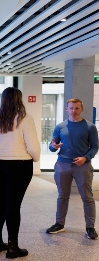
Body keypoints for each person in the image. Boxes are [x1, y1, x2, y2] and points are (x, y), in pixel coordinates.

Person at [0, 87, 40, 259]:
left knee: (1, 201)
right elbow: (33, 147)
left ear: (3, 99)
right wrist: (35, 159)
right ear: (19, 99)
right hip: (19, 165)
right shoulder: (25, 119)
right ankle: (13, 247)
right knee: (13, 204)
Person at [46, 98, 98, 240]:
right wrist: (53, 147)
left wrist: (85, 158)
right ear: (66, 109)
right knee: (62, 196)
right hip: (63, 165)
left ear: (82, 109)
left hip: (82, 166)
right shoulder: (60, 126)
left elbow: (95, 147)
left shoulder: (90, 127)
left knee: (87, 197)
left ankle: (90, 227)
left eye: (76, 108)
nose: (73, 111)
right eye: (71, 108)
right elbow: (52, 146)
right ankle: (59, 224)